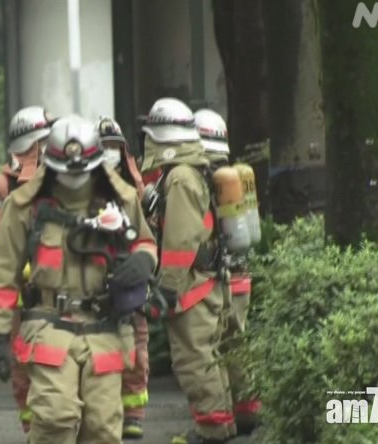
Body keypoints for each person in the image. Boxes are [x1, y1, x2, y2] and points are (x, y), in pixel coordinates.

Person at [0, 116, 158, 444]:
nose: (74, 179)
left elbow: (146, 242)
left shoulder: (120, 200)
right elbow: (1, 274)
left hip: (105, 329)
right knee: (54, 419)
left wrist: (142, 260)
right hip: (49, 328)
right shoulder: (25, 207)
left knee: (104, 430)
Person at [138, 98, 238, 444]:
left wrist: (164, 290)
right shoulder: (192, 171)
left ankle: (212, 430)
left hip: (192, 286)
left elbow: (180, 243)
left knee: (193, 359)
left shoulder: (180, 178)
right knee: (208, 355)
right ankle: (222, 424)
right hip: (204, 282)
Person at [0, 105, 54, 434]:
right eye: (44, 142)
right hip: (19, 301)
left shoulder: (64, 181)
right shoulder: (0, 188)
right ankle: (35, 435)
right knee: (24, 375)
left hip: (58, 298)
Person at [194, 108, 260, 435]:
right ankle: (247, 409)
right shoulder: (235, 177)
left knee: (218, 345)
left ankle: (226, 416)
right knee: (238, 342)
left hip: (220, 278)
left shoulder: (206, 182)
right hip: (242, 275)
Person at [97, 117, 151, 440]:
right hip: (96, 282)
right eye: (103, 148)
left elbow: (148, 236)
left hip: (130, 280)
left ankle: (133, 414)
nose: (109, 154)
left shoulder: (135, 191)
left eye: (114, 148)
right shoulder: (82, 190)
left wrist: (144, 264)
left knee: (137, 349)